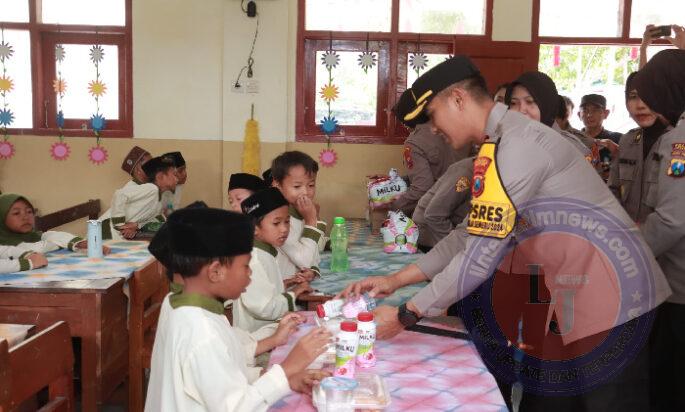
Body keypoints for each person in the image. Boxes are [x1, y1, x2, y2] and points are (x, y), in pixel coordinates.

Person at [342, 56, 671, 409]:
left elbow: (481, 252)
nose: (433, 129)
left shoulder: (519, 146)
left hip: (612, 300)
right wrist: (396, 280)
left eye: (432, 116)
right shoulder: (498, 144)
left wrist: (409, 313)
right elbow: (469, 231)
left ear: (458, 99)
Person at [144, 207, 331, 412]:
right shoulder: (202, 333)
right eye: (245, 266)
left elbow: (219, 370)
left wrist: (283, 380)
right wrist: (287, 370)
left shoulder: (178, 302)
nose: (250, 274)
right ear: (216, 272)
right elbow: (236, 407)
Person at [633, 49, 685, 412]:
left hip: (678, 289)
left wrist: (624, 252)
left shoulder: (680, 142)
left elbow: (671, 219)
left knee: (669, 385)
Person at [232, 188, 312, 333]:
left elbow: (263, 289)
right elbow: (264, 308)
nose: (284, 229)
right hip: (257, 339)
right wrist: (294, 292)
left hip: (269, 333)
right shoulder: (253, 260)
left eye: (287, 222)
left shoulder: (265, 253)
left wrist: (285, 284)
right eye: (276, 223)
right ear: (255, 229)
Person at [389, 89, 471, 217]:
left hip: (441, 212)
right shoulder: (459, 125)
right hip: (470, 205)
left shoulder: (415, 142)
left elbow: (421, 187)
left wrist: (391, 205)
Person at [608, 72, 670, 222]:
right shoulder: (627, 141)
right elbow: (612, 192)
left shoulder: (678, 143)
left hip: (667, 242)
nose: (640, 105)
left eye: (649, 96)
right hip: (624, 238)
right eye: (633, 96)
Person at [506, 71, 594, 160]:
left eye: (530, 102)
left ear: (547, 105)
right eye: (513, 103)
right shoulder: (504, 142)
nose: (521, 110)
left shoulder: (573, 151)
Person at [271, 152, 325, 279]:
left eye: (311, 185)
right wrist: (311, 221)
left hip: (297, 285)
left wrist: (313, 270)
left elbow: (315, 254)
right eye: (297, 186)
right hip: (279, 291)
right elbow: (305, 261)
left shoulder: (302, 212)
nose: (305, 192)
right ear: (277, 185)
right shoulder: (277, 220)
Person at [0, 193, 109, 256]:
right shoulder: (4, 245)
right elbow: (38, 249)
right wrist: (62, 244)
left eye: (29, 212)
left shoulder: (29, 235)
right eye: (16, 213)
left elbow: (48, 235)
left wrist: (79, 243)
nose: (25, 217)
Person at [100, 156, 177, 240]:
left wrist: (136, 226)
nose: (176, 179)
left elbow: (154, 217)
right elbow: (119, 194)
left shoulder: (158, 195)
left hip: (117, 232)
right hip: (107, 229)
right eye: (173, 175)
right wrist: (120, 225)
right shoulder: (151, 189)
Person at [412, 157, 473, 252]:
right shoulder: (467, 173)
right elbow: (434, 214)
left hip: (450, 229)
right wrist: (457, 245)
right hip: (432, 233)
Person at [578, 94, 622, 179]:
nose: (589, 115)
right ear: (579, 114)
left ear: (606, 113)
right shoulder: (572, 140)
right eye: (585, 110)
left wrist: (617, 151)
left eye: (595, 110)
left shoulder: (618, 139)